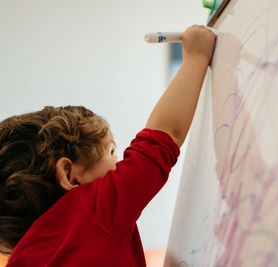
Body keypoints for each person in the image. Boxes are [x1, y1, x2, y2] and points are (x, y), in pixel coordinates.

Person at [0, 25, 216, 266]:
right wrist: (196, 57)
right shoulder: (92, 210)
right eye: (111, 152)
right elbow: (164, 135)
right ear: (69, 175)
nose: (119, 163)